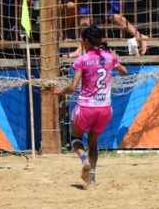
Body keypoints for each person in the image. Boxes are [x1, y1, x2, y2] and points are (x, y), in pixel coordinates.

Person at [54, 25, 128, 188]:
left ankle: (84, 160)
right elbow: (125, 72)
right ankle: (92, 180)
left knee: (75, 138)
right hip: (105, 108)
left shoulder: (82, 60)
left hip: (86, 107)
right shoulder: (110, 57)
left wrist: (60, 91)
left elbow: (73, 87)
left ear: (86, 41)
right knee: (93, 141)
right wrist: (116, 60)